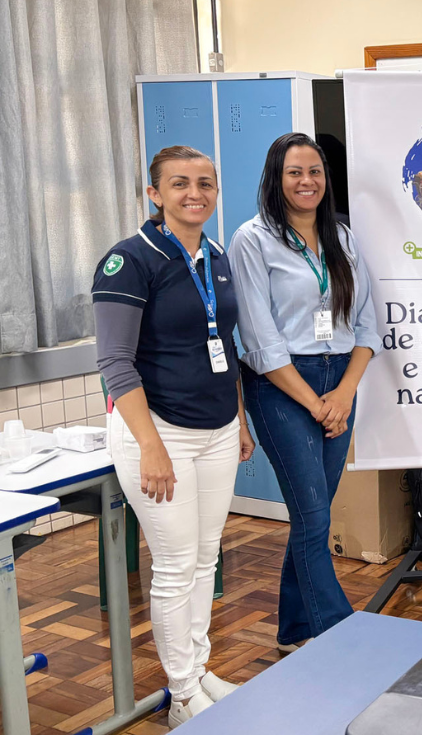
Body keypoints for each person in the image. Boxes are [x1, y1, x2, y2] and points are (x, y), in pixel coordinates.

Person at [93, 145, 254, 727]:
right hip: (155, 432)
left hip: (214, 430)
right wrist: (152, 447)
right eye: (180, 183)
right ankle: (181, 695)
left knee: (205, 560)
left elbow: (226, 347)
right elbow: (115, 360)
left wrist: (237, 419)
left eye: (206, 183)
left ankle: (200, 669)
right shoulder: (129, 260)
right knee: (175, 563)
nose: (196, 193)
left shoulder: (215, 255)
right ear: (154, 194)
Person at [229, 133, 382, 654]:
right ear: (276, 179)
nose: (306, 181)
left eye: (314, 171)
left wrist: (343, 393)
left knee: (312, 514)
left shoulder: (342, 237)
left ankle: (295, 630)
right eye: (295, 172)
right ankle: (339, 635)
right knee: (314, 515)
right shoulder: (251, 240)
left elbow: (367, 323)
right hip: (280, 387)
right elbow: (259, 337)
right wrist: (316, 402)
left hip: (340, 379)